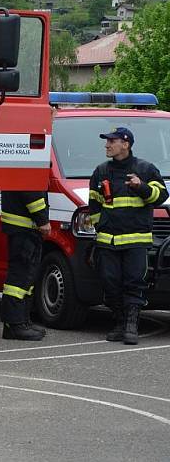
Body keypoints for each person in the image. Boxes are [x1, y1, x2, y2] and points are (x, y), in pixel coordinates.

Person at [90, 127, 168, 345]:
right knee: (110, 283)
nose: (106, 145)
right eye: (106, 141)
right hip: (108, 241)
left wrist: (141, 187)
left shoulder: (145, 169)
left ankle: (131, 326)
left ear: (126, 144)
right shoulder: (101, 171)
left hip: (136, 241)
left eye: (111, 141)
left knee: (134, 283)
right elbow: (94, 204)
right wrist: (100, 228)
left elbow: (161, 196)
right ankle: (120, 323)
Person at [0, 190, 51, 340]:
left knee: (26, 278)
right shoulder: (31, 166)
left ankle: (22, 321)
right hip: (24, 228)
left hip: (23, 227)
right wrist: (42, 219)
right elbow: (32, 193)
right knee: (19, 279)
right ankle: (14, 325)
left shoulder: (23, 166)